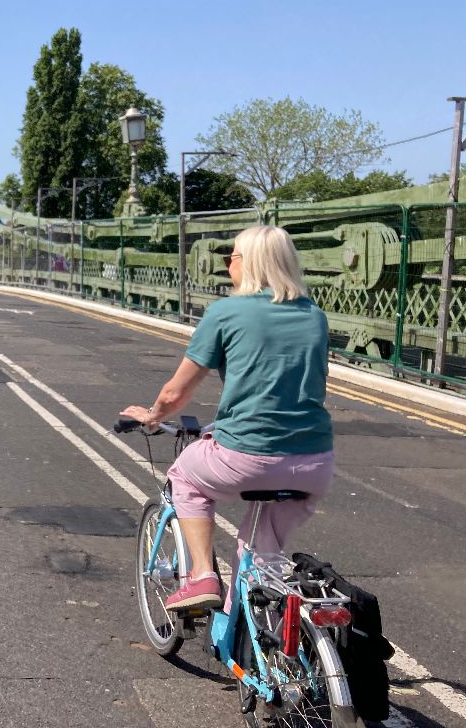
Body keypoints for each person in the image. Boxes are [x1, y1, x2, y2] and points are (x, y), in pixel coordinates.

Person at [119, 225, 334, 613]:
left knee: (184, 477)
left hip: (247, 457)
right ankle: (247, 629)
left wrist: (152, 416)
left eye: (230, 257)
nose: (227, 265)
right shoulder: (314, 316)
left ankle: (202, 575)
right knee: (260, 556)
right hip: (314, 464)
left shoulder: (226, 312)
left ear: (247, 262)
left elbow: (175, 394)